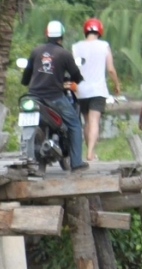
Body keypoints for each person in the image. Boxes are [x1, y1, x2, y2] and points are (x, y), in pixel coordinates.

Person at [20, 21, 86, 170]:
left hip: (33, 96)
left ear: (46, 34)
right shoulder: (64, 54)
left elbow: (26, 75)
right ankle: (76, 162)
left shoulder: (36, 51)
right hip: (55, 98)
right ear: (61, 36)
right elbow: (77, 75)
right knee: (75, 124)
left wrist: (25, 82)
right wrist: (74, 79)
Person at [71, 17, 122, 161]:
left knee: (87, 121)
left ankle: (89, 153)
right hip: (98, 90)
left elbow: (72, 67)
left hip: (80, 90)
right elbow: (111, 70)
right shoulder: (104, 46)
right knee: (94, 121)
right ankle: (90, 153)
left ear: (85, 31)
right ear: (100, 30)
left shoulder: (76, 46)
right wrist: (116, 85)